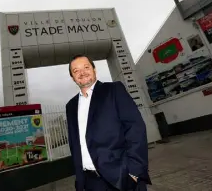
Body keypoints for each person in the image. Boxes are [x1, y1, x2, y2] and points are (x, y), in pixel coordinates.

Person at [65, 55, 152, 191]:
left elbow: (135, 128)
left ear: (94, 70)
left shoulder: (113, 90)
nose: (82, 73)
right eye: (76, 71)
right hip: (91, 183)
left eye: (86, 67)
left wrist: (134, 172)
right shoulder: (70, 106)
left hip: (122, 178)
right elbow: (74, 145)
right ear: (72, 78)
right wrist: (80, 182)